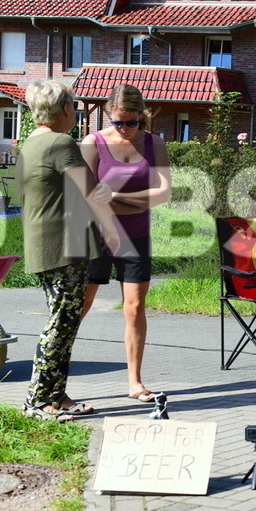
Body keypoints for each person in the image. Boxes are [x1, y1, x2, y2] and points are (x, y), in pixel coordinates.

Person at [18, 79, 118, 421]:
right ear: (63, 109)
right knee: (60, 324)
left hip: (43, 244)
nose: (75, 112)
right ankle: (35, 401)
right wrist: (111, 229)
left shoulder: (30, 143)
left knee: (66, 322)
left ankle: (56, 395)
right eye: (74, 106)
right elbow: (92, 191)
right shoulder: (61, 142)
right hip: (65, 246)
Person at [80, 84, 171, 403]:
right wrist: (135, 202)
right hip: (96, 235)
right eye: (118, 122)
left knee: (134, 309)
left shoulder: (154, 143)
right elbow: (84, 195)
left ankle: (135, 382)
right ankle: (54, 375)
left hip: (136, 237)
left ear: (141, 115)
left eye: (131, 122)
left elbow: (163, 193)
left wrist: (118, 197)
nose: (125, 128)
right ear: (108, 116)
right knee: (80, 306)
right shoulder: (93, 142)